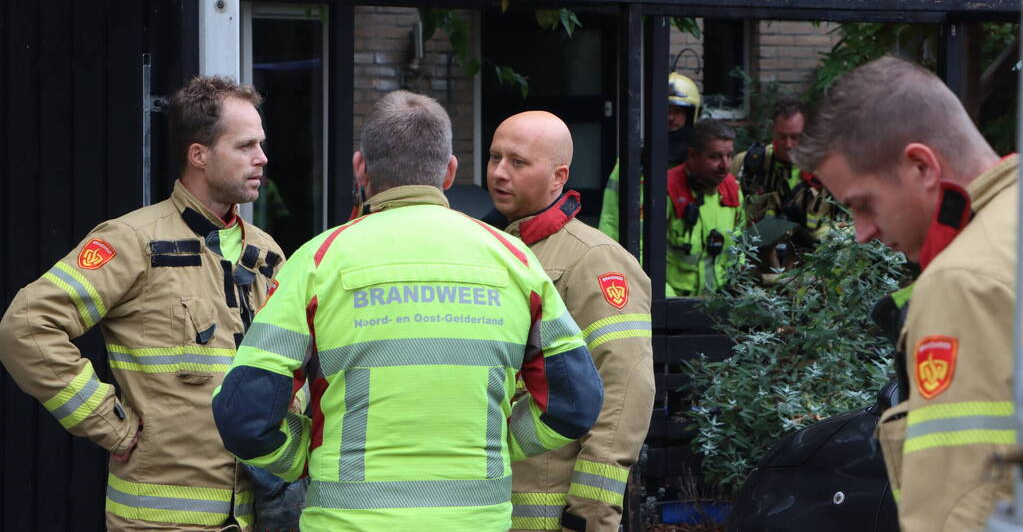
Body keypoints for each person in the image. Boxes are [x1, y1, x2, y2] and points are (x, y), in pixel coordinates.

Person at [212, 90, 603, 532]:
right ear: (451, 171)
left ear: (360, 166)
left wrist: (304, 455)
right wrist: (500, 442)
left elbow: (243, 416)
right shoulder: (515, 261)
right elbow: (574, 404)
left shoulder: (317, 261)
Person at [0, 76, 285, 531]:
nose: (262, 158)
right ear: (199, 154)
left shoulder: (267, 253)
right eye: (245, 145)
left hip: (256, 517)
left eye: (261, 144)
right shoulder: (133, 240)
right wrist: (112, 424)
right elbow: (29, 327)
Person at [793, 56, 1016, 531]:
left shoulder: (963, 280)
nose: (861, 232)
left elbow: (962, 505)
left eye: (862, 205)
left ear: (921, 165)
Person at [484, 111, 655, 532]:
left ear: (559, 176)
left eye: (518, 162)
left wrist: (590, 516)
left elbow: (624, 391)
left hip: (547, 515)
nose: (499, 173)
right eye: (494, 157)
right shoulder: (489, 249)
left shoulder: (594, 260)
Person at [733, 98, 844, 273]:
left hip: (810, 269)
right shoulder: (748, 164)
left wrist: (815, 233)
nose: (788, 145)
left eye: (795, 137)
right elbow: (729, 218)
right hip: (752, 266)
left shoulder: (826, 169)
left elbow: (849, 224)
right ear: (772, 132)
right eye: (782, 137)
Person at [598, 71, 701, 241]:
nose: (670, 117)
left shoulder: (699, 165)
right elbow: (610, 218)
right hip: (636, 263)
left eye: (678, 111)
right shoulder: (631, 161)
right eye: (666, 110)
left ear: (690, 116)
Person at [666, 119, 744, 296]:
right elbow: (640, 252)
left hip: (718, 304)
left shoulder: (732, 190)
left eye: (729, 156)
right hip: (673, 304)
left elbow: (740, 248)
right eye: (715, 157)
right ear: (692, 155)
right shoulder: (667, 188)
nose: (725, 166)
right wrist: (666, 304)